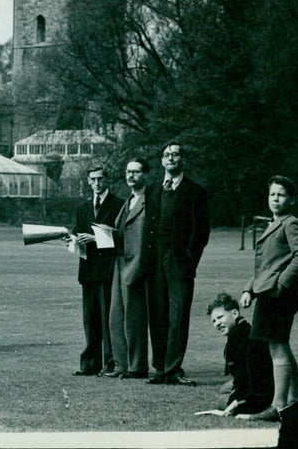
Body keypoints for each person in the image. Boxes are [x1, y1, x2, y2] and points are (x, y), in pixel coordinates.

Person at [239, 175, 298, 421]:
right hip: (270, 292)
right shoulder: (275, 222)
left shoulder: (291, 223)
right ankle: (293, 400)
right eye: (272, 194)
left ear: (291, 200)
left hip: (279, 294)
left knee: (277, 346)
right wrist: (249, 290)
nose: (275, 198)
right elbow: (266, 266)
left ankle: (278, 406)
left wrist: (281, 282)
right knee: (281, 344)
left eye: (281, 194)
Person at [145, 142, 210, 386]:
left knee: (178, 315)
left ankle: (173, 369)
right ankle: (160, 369)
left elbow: (202, 231)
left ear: (183, 160)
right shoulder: (153, 190)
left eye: (175, 154)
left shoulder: (195, 191)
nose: (170, 158)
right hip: (155, 262)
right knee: (158, 315)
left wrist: (189, 259)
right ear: (161, 161)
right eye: (166, 155)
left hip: (180, 262)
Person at [70, 166, 123, 376]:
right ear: (88, 181)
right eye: (93, 179)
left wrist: (94, 239)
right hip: (88, 270)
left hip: (108, 269)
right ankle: (91, 363)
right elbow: (77, 232)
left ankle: (110, 363)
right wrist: (72, 239)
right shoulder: (82, 207)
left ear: (106, 180)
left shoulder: (119, 205)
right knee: (90, 318)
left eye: (100, 179)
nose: (97, 183)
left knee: (107, 318)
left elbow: (121, 236)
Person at [105, 158, 152, 380]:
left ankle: (137, 366)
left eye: (135, 171)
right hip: (119, 262)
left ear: (145, 175)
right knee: (116, 316)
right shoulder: (129, 201)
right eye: (127, 171)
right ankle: (121, 365)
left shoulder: (150, 201)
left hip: (136, 264)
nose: (130, 175)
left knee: (134, 318)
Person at [207, 293, 273, 415]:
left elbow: (245, 373)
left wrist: (237, 401)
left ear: (235, 313)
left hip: (259, 390)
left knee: (222, 401)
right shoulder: (245, 328)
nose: (217, 323)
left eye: (220, 317)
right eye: (214, 321)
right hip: (263, 383)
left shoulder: (237, 337)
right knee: (224, 389)